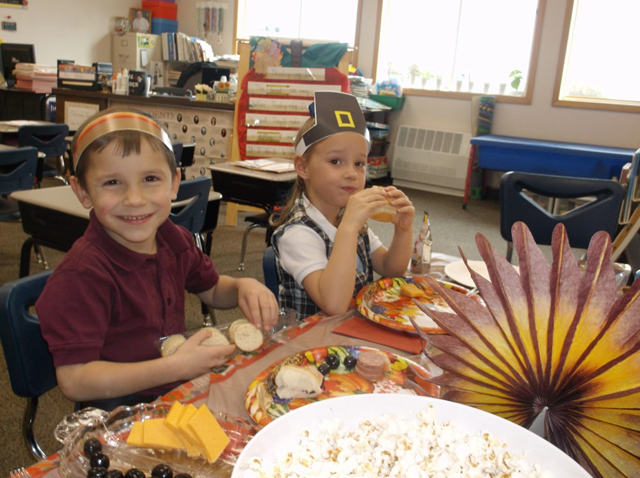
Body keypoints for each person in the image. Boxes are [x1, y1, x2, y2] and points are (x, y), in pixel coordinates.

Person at [36, 108, 278, 410]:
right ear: (83, 191)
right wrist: (174, 368)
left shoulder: (171, 239)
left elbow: (214, 289)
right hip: (118, 413)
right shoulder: (82, 275)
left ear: (174, 183)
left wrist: (243, 286)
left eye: (150, 178)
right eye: (112, 183)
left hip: (177, 392)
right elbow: (75, 380)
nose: (135, 199)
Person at [271, 91, 415, 317]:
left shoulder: (348, 216)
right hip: (313, 336)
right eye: (336, 161)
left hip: (354, 328)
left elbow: (391, 269)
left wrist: (403, 230)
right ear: (303, 167)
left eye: (359, 163)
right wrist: (348, 227)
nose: (351, 174)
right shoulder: (297, 233)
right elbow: (334, 304)